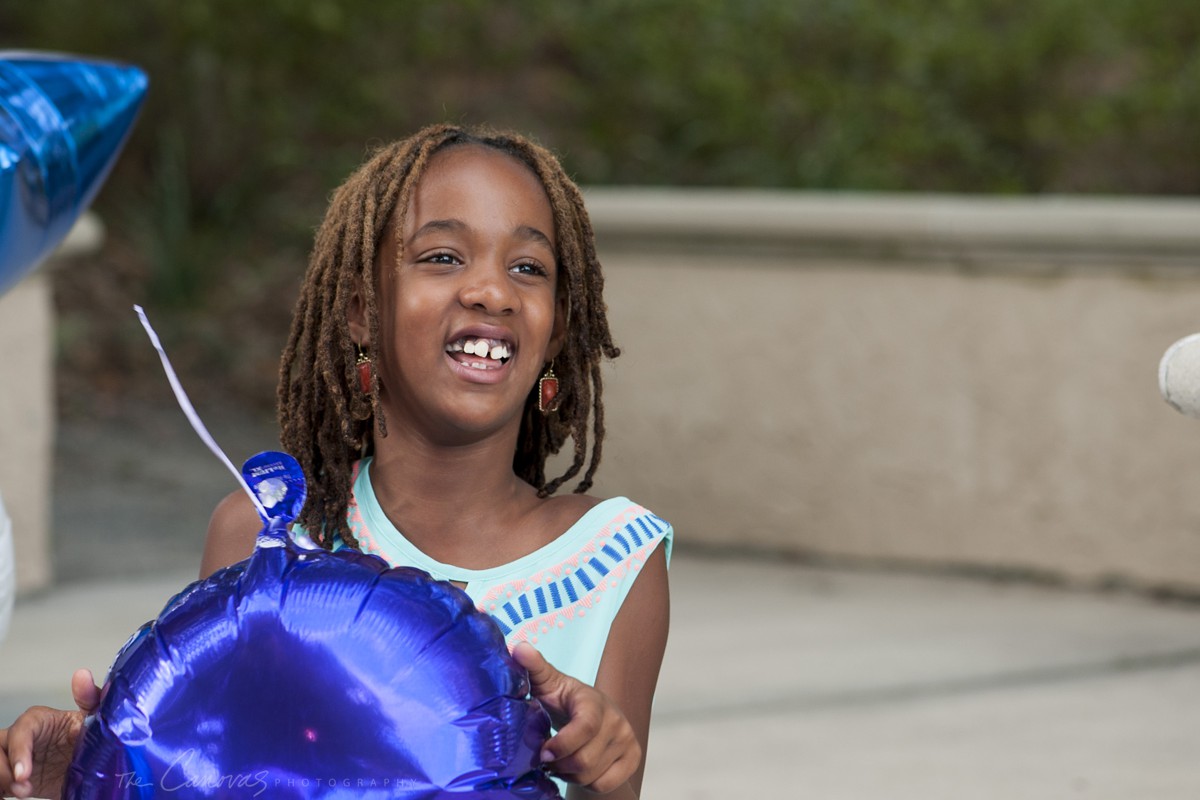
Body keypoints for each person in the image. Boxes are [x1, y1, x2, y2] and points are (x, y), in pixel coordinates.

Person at [0, 124, 671, 799]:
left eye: (528, 268)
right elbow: (198, 777)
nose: (492, 292)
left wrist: (603, 774)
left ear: (555, 330)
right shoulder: (264, 538)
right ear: (359, 312)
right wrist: (78, 779)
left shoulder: (613, 562)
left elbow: (609, 785)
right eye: (442, 257)